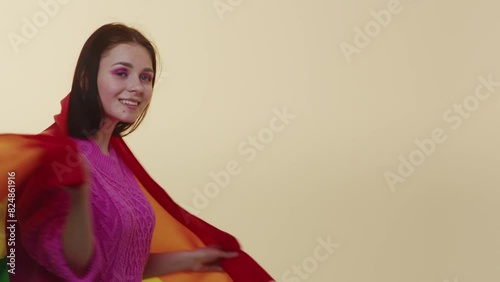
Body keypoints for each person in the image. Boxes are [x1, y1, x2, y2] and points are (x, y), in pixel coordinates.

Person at [0, 23, 274, 282]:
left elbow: (122, 266)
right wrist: (77, 193)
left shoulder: (116, 158)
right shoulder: (59, 160)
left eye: (146, 77)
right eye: (121, 73)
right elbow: (77, 270)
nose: (137, 87)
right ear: (86, 78)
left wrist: (190, 259)